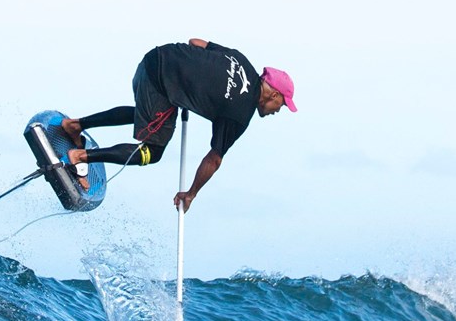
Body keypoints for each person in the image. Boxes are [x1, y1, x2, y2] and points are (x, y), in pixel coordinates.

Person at [61, 38, 296, 212]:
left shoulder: (241, 60)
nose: (278, 110)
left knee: (149, 116)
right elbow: (214, 159)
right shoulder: (240, 114)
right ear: (274, 94)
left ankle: (75, 126)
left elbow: (196, 42)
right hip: (159, 83)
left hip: (154, 58)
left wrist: (190, 83)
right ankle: (79, 157)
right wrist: (191, 194)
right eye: (282, 105)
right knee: (152, 152)